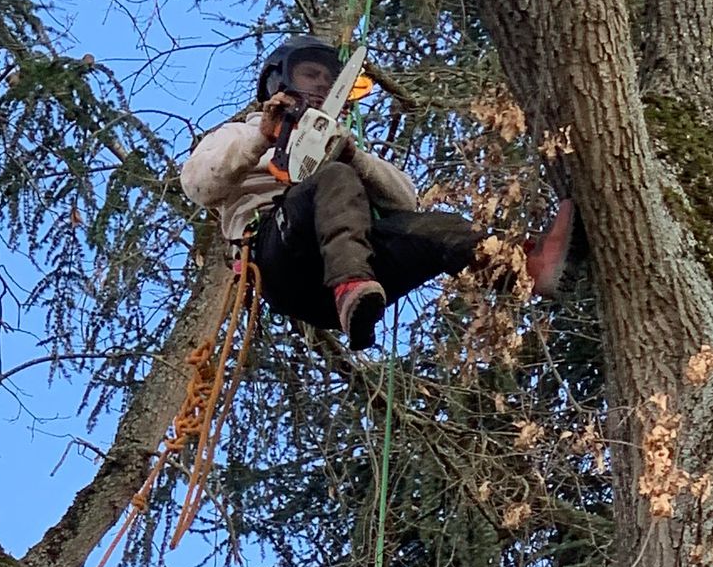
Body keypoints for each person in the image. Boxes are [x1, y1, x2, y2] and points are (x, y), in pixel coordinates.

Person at [180, 34, 575, 351]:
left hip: (355, 274)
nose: (320, 84)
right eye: (310, 75)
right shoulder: (240, 134)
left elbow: (406, 202)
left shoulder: (337, 147)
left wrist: (355, 157)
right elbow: (198, 184)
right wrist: (261, 139)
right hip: (281, 258)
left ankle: (526, 269)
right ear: (279, 81)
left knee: (434, 228)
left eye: (327, 79)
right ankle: (350, 286)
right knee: (332, 178)